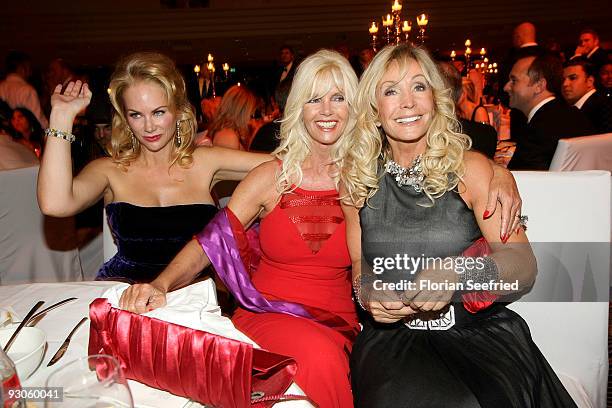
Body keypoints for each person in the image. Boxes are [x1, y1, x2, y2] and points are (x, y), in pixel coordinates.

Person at [119, 50, 522, 407]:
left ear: (358, 107)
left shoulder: (371, 175)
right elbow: (211, 242)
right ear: (299, 108)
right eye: (314, 99)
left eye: (338, 97)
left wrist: (498, 171)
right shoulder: (269, 177)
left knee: (325, 358)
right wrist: (161, 284)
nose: (326, 110)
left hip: (337, 321)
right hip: (265, 311)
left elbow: (435, 165)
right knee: (309, 359)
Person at [343, 43, 576, 407]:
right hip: (393, 340)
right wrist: (369, 292)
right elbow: (360, 265)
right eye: (391, 91)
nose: (408, 102)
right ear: (373, 110)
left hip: (477, 336)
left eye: (419, 87)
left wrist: (458, 272)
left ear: (436, 98)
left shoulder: (472, 170)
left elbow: (524, 267)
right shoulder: (356, 180)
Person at [37, 52, 270, 283]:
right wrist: (61, 116)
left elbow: (284, 165)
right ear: (125, 118)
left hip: (193, 300)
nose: (149, 126)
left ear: (178, 111)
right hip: (127, 300)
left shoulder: (205, 161)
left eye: (159, 112)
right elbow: (55, 203)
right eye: (136, 115)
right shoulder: (110, 170)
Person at [208, 85, 258, 150]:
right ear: (241, 112)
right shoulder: (228, 136)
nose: (250, 117)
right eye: (250, 113)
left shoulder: (229, 132)